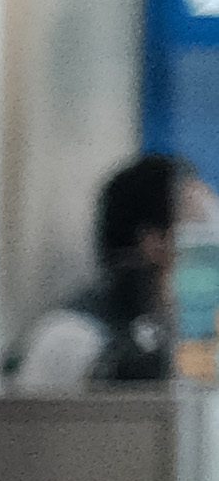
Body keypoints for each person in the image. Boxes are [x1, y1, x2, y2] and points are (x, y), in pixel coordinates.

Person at [11, 153, 209, 393]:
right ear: (155, 242)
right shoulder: (71, 338)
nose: (212, 241)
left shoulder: (180, 337)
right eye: (201, 226)